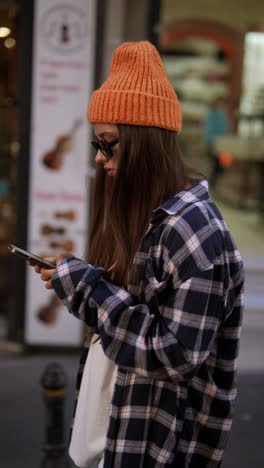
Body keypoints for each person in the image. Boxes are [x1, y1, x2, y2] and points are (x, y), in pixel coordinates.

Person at [30, 41, 245, 468]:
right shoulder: (149, 216)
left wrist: (88, 290)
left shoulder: (195, 231)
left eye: (109, 143)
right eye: (97, 141)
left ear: (146, 143)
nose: (99, 156)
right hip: (112, 435)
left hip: (155, 448)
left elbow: (173, 353)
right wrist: (81, 281)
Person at [202, 97, 231, 190]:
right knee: (216, 164)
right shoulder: (211, 114)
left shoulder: (222, 113)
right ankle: (212, 183)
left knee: (222, 165)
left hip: (223, 143)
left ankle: (213, 182)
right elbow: (208, 130)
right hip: (214, 143)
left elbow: (225, 128)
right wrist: (211, 142)